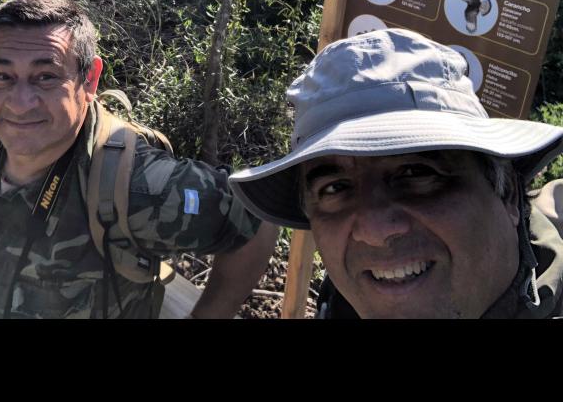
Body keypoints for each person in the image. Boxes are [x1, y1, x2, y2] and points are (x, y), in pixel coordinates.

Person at [0, 0, 278, 319]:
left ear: (89, 79)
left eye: (46, 77)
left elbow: (256, 217)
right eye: (3, 76)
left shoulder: (136, 185)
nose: (20, 103)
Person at [229, 28, 563, 319]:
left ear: (508, 194)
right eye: (335, 188)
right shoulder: (350, 295)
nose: (374, 232)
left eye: (416, 172)